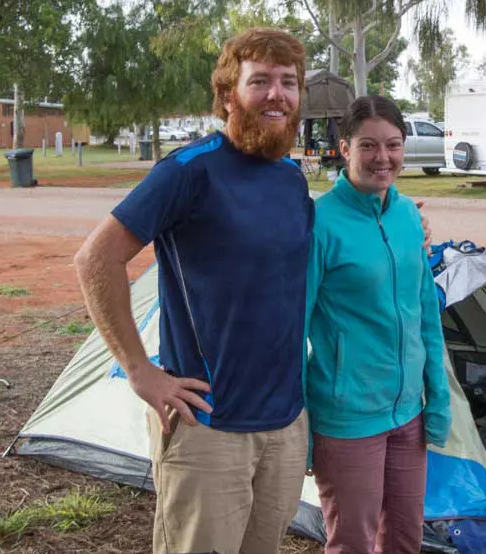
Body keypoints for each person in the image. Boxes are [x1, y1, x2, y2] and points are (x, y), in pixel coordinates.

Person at [73, 27, 313, 554]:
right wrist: (140, 370)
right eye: (261, 81)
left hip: (285, 424)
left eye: (289, 83)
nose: (277, 94)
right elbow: (96, 259)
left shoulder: (291, 181)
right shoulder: (188, 170)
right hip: (208, 427)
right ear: (229, 94)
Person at [305, 95, 451, 554]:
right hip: (347, 417)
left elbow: (425, 311)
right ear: (344, 147)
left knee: (406, 539)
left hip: (409, 413)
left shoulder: (408, 215)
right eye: (368, 145)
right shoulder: (319, 223)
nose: (382, 158)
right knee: (352, 542)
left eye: (393, 145)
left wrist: (438, 397)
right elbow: (293, 327)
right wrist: (302, 430)